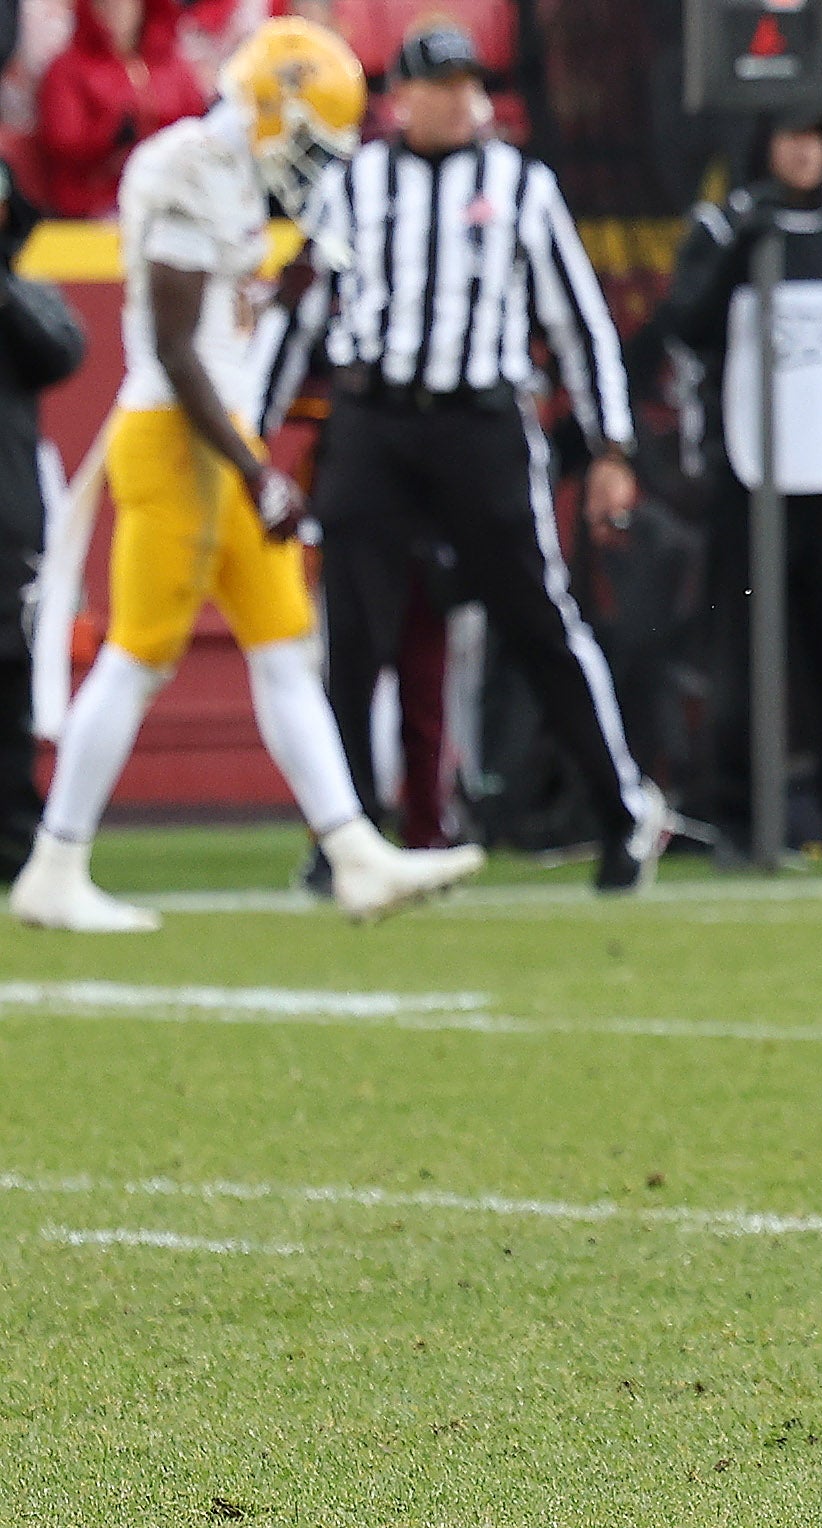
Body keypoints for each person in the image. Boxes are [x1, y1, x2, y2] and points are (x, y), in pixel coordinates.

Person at [12, 19, 484, 932]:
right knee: (139, 655)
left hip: (215, 432)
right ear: (273, 115)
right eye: (308, 142)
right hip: (178, 437)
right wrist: (255, 469)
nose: (313, 165)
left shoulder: (230, 173)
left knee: (281, 648)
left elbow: (222, 323)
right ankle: (56, 863)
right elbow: (175, 350)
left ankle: (353, 852)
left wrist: (283, 295)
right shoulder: (189, 167)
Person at [258, 21, 669, 891]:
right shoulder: (352, 183)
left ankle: (621, 812)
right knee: (353, 635)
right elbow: (301, 313)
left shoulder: (521, 183)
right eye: (441, 85)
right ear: (400, 95)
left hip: (480, 425)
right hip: (372, 422)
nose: (461, 99)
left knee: (539, 619)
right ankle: (346, 833)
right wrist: (252, 432)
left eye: (470, 84)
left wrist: (610, 444)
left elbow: (577, 321)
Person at [657, 112, 822, 867]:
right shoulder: (725, 227)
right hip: (756, 475)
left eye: (817, 137)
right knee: (746, 660)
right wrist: (735, 254)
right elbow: (683, 325)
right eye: (787, 135)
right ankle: (734, 815)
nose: (802, 150)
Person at [0, 164, 85, 882]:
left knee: (8, 674)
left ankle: (15, 840)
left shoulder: (24, 297)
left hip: (6, 513)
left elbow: (61, 351)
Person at [32, 0, 210, 218]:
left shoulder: (172, 65)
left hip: (173, 195)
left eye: (124, 4)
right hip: (99, 201)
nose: (115, 13)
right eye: (104, 5)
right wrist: (111, 133)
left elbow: (198, 122)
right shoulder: (67, 69)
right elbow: (63, 141)